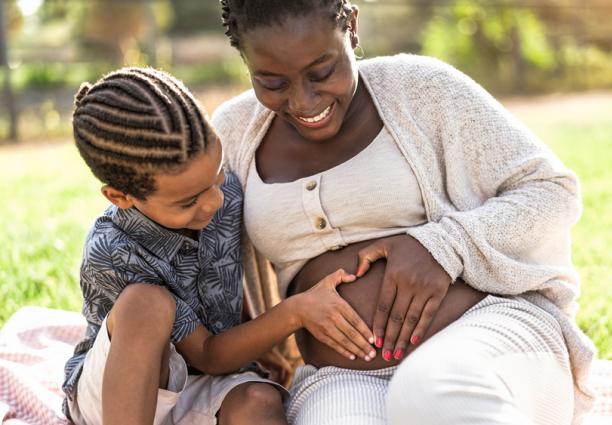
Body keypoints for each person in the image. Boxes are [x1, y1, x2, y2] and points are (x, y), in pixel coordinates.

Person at [212, 1, 597, 424]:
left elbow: (551, 190)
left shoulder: (420, 87)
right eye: (272, 82)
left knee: (428, 393)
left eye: (322, 72)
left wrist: (441, 246)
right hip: (340, 375)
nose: (303, 100)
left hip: (488, 334)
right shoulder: (233, 132)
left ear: (351, 29)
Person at [62, 67, 379, 425]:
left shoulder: (224, 196)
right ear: (120, 197)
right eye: (188, 202)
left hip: (201, 385)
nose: (213, 202)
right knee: (147, 304)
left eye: (216, 178)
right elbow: (209, 354)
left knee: (259, 399)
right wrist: (297, 311)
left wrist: (259, 343)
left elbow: (219, 282)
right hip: (115, 401)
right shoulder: (112, 249)